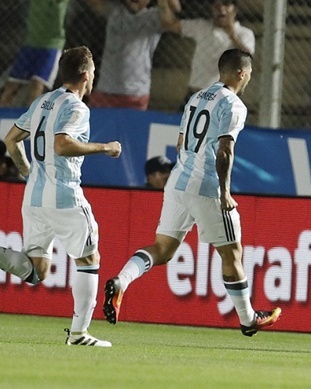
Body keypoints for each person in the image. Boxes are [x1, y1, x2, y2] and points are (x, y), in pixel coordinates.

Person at [102, 48, 281, 337]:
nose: (248, 78)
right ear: (241, 73)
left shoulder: (197, 98)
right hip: (206, 184)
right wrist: (224, 192)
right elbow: (225, 150)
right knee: (232, 252)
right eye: (248, 73)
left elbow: (180, 142)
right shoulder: (234, 105)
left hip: (178, 181)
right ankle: (248, 318)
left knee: (161, 250)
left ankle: (122, 281)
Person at [0, 46, 122, 347]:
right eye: (93, 72)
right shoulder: (78, 108)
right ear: (84, 75)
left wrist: (26, 169)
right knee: (89, 258)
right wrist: (104, 147)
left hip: (35, 198)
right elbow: (62, 145)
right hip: (64, 194)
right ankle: (79, 334)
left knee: (37, 270)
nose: (94, 77)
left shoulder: (43, 101)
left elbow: (11, 139)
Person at [80, 0, 181, 110]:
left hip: (135, 94)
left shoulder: (154, 15)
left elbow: (174, 14)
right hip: (105, 90)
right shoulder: (116, 11)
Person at [160, 0, 255, 96]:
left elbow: (247, 58)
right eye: (217, 4)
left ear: (235, 9)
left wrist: (232, 35)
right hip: (196, 89)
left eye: (226, 4)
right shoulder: (202, 26)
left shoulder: (244, 33)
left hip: (222, 92)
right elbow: (168, 24)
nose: (221, 8)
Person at [0, 0, 69, 107]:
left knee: (37, 85)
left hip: (51, 45)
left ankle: (31, 118)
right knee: (11, 85)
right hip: (31, 43)